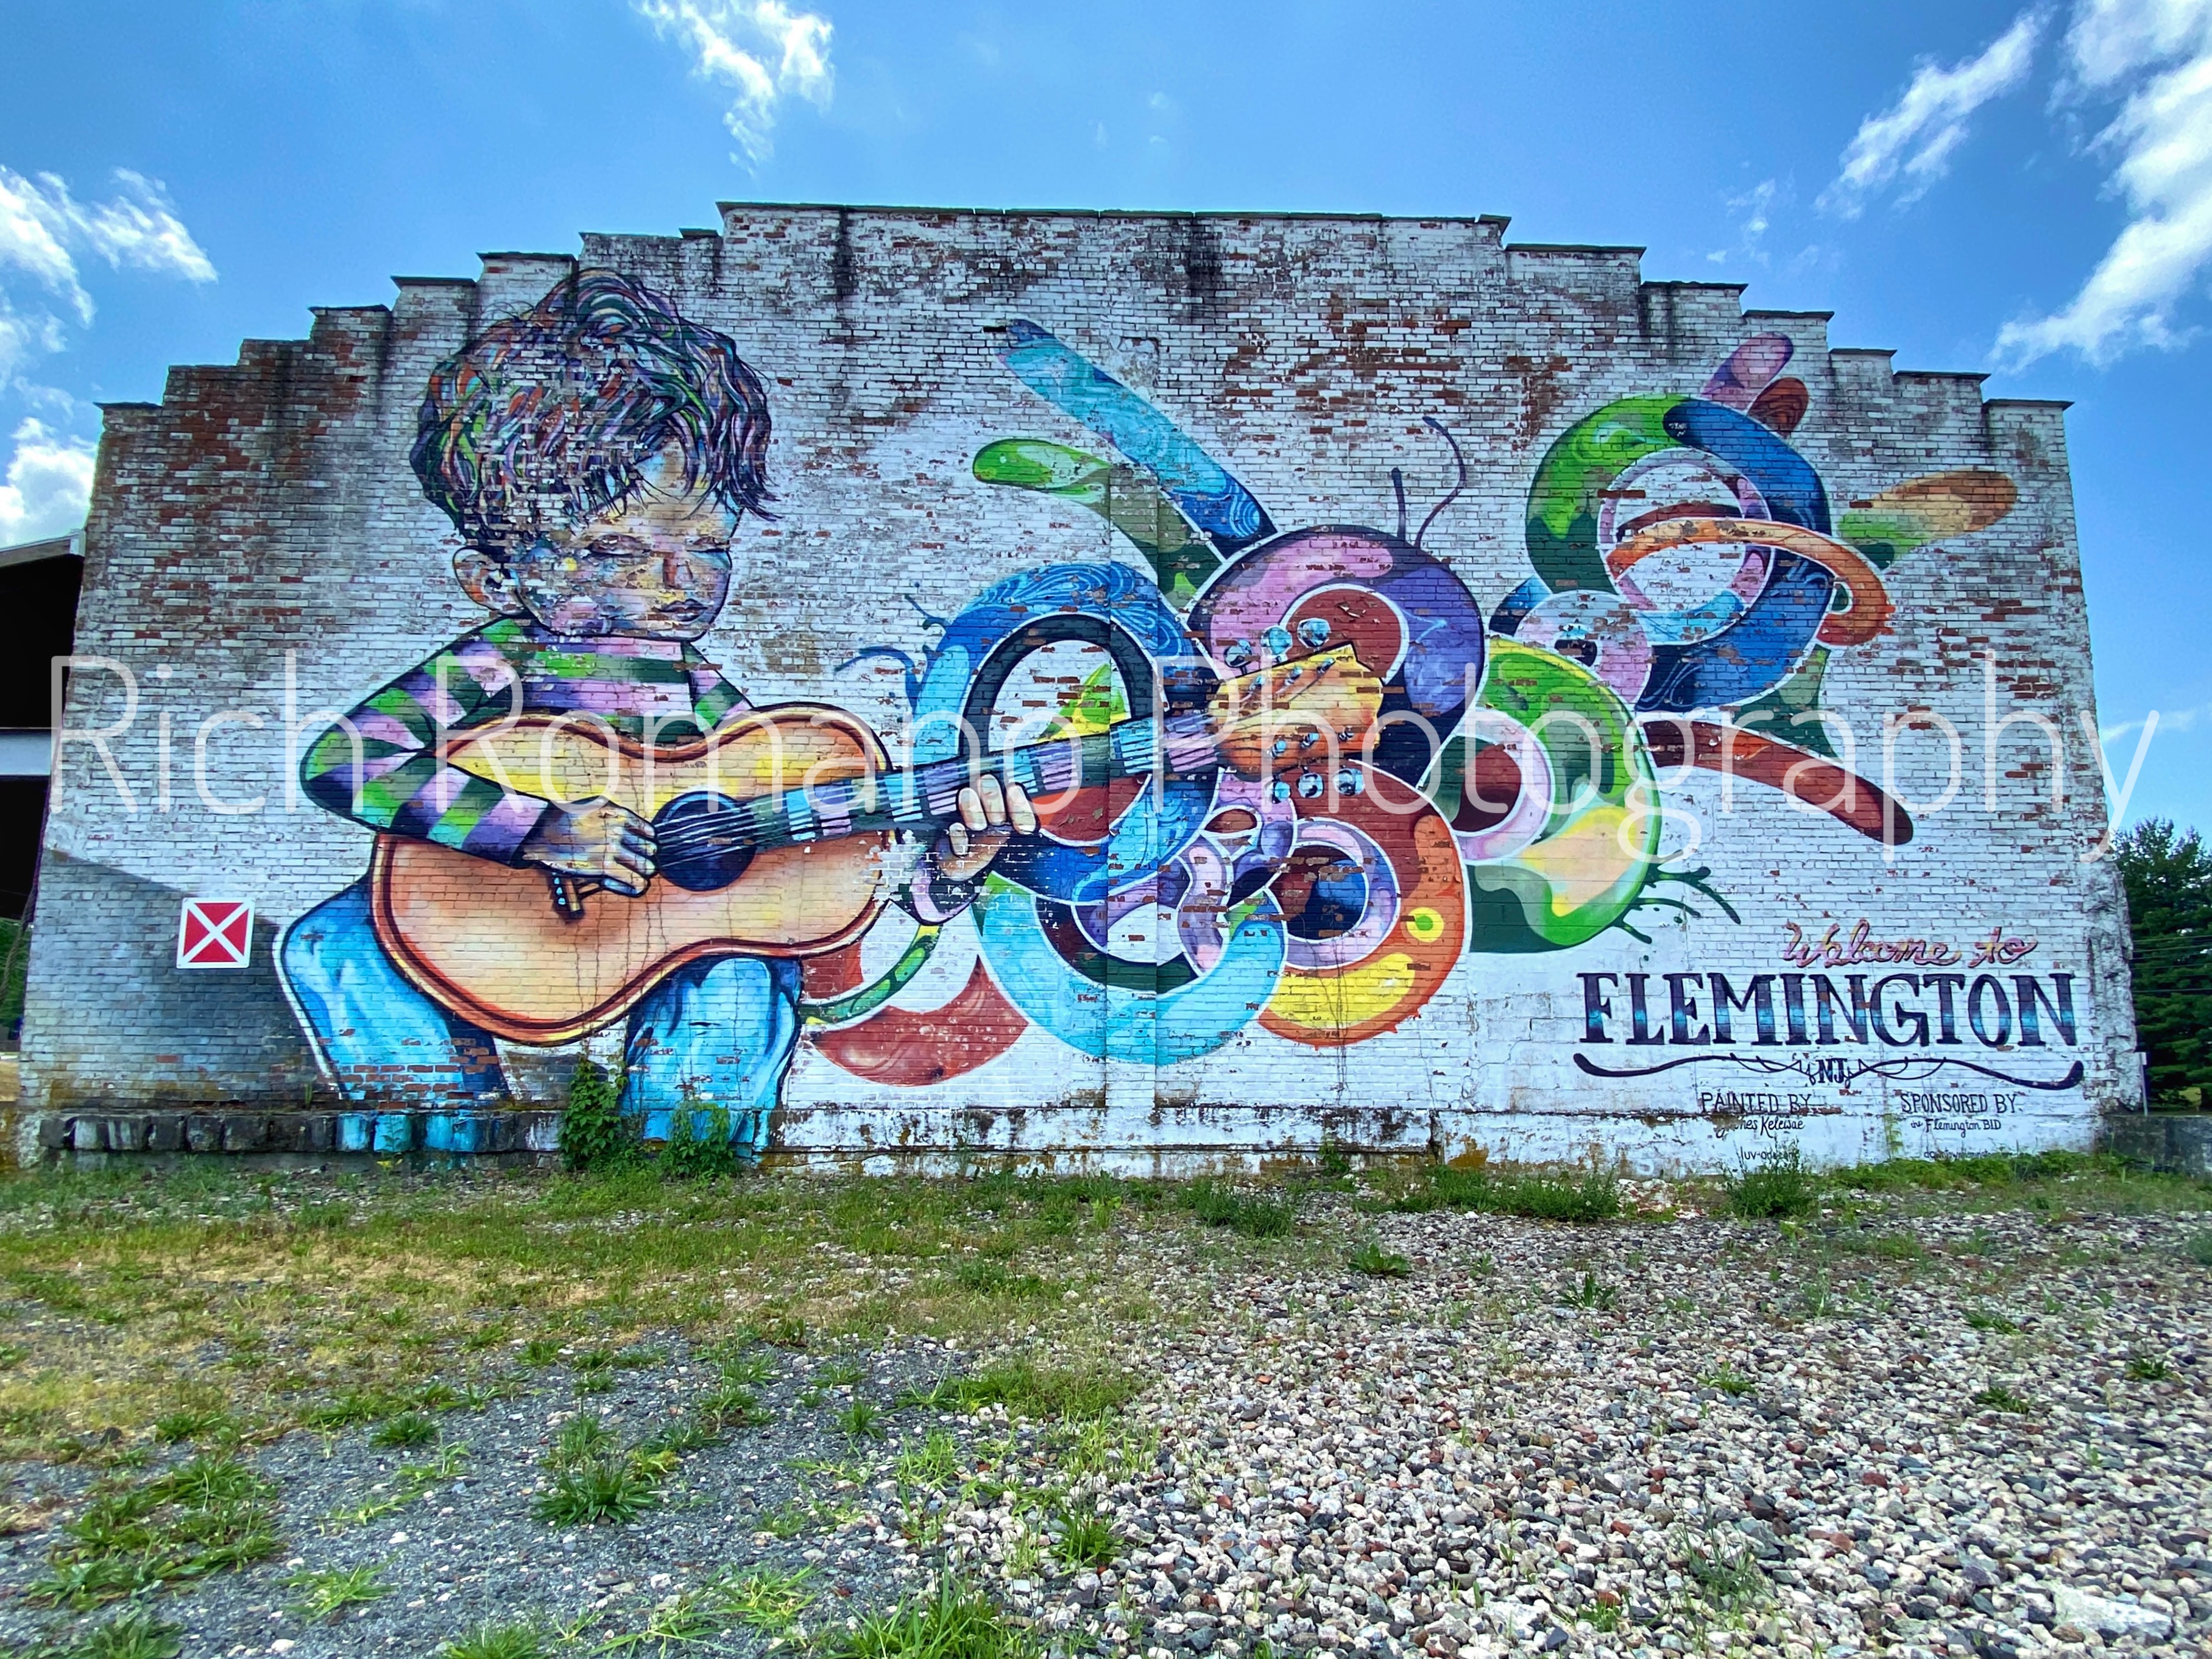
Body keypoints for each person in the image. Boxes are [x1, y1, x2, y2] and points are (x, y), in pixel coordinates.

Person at [279, 269, 1032, 1152]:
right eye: (615, 551)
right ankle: (439, 1170)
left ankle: (683, 1179)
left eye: (707, 545)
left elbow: (798, 879)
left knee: (743, 982)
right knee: (337, 947)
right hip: (478, 911)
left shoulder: (710, 709)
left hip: (654, 934)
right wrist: (538, 828)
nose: (675, 583)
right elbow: (345, 761)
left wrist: (945, 876)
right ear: (493, 579)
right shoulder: (499, 660)